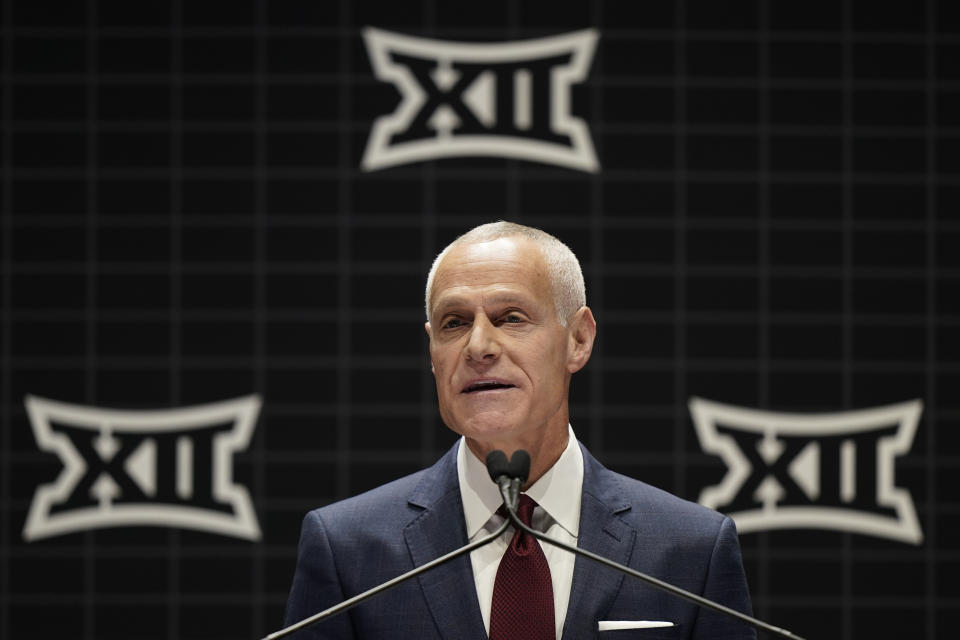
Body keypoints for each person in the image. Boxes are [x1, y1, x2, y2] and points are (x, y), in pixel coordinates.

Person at [284, 221, 755, 639]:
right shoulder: (348, 549)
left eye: (511, 318)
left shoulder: (691, 550)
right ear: (432, 351)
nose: (479, 346)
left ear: (579, 339)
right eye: (454, 323)